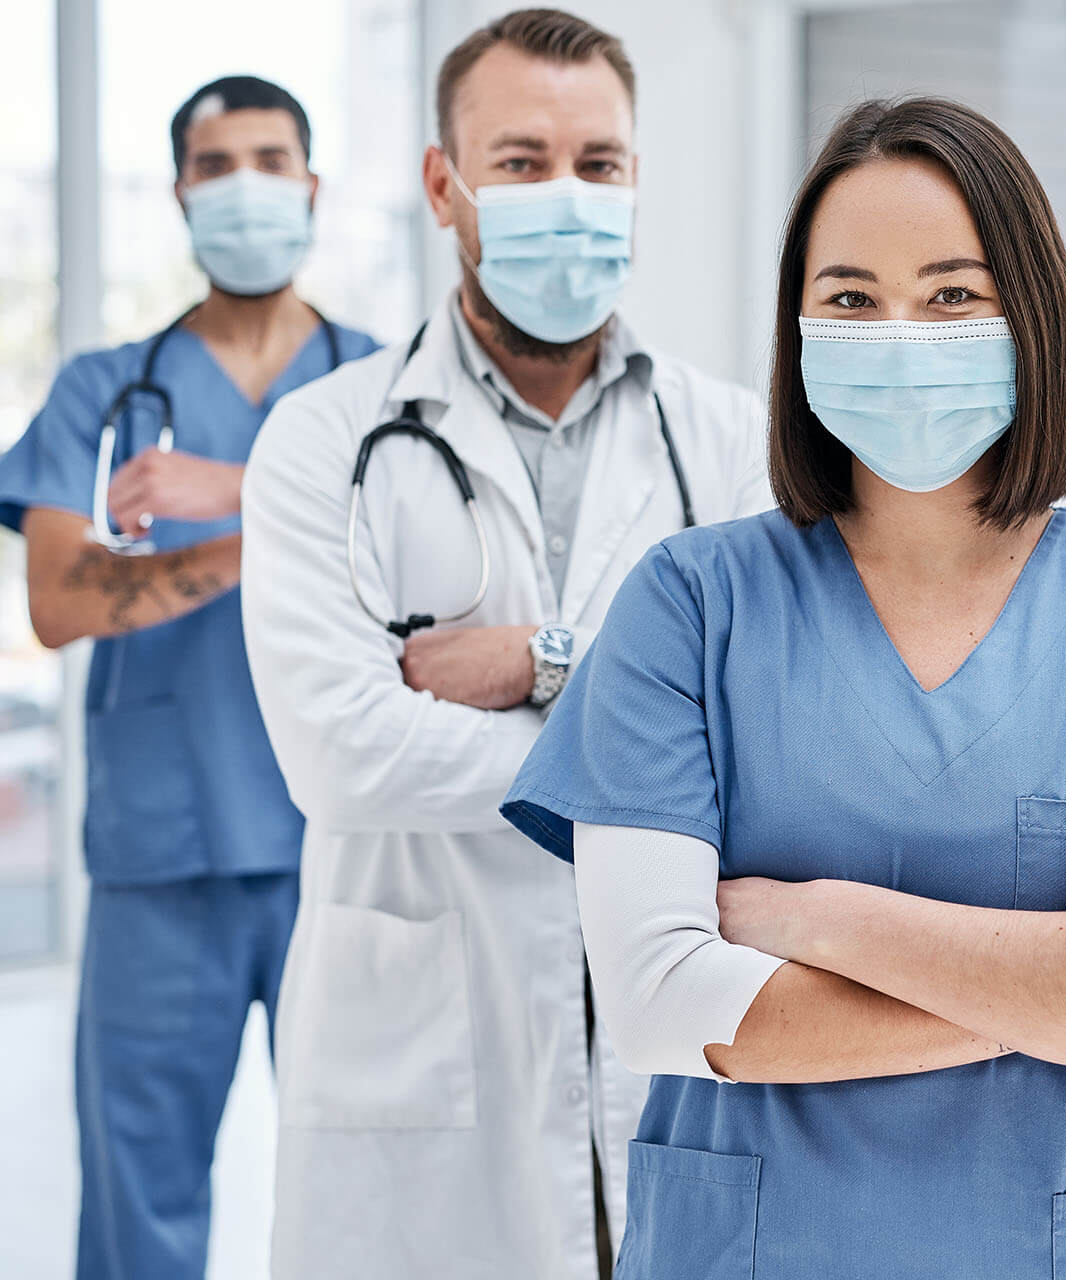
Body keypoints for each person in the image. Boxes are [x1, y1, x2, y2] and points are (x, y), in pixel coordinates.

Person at [499, 95, 1066, 1280]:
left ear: (1029, 313)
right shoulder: (687, 604)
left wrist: (816, 916)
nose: (898, 335)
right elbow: (661, 1002)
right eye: (849, 299)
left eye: (950, 295)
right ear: (796, 329)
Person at [239, 11, 770, 1279]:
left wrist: (541, 658)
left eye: (599, 163)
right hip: (425, 1067)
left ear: (637, 180)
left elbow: (777, 724)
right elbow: (346, 756)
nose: (567, 196)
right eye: (522, 162)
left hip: (674, 1050)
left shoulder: (732, 437)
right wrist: (651, 726)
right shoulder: (325, 443)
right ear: (445, 183)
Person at [0, 76, 376, 1280]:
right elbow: (61, 601)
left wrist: (238, 487)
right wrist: (291, 516)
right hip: (163, 856)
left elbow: (448, 583)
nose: (247, 185)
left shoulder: (391, 384)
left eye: (271, 158)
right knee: (140, 1208)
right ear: (179, 194)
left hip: (355, 849)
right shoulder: (104, 390)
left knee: (376, 1189)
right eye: (217, 164)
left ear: (312, 188)